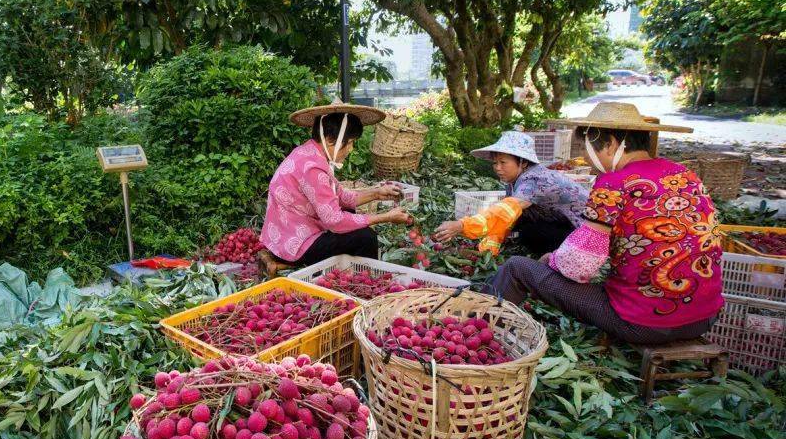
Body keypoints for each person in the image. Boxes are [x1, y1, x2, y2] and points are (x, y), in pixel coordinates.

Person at [489, 102, 724, 344]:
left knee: (516, 267)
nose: (586, 158)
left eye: (588, 148)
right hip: (704, 318)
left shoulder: (613, 183)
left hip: (644, 323)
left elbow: (578, 266)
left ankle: (477, 325)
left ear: (611, 144)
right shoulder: (687, 175)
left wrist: (552, 259)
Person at [258, 103, 413, 276]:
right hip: (295, 242)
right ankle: (363, 282)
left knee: (350, 212)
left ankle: (345, 271)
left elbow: (341, 196)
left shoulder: (310, 153)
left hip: (288, 232)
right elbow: (335, 221)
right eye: (351, 142)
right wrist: (386, 217)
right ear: (333, 140)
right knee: (366, 238)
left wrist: (377, 193)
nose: (351, 149)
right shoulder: (313, 169)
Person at [433, 131, 589, 257]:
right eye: (495, 162)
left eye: (503, 162)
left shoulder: (534, 179)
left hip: (586, 234)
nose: (497, 168)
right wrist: (488, 251)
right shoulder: (514, 180)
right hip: (563, 222)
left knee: (529, 232)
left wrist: (462, 225)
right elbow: (505, 216)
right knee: (520, 220)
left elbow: (505, 210)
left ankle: (554, 257)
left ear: (523, 162)